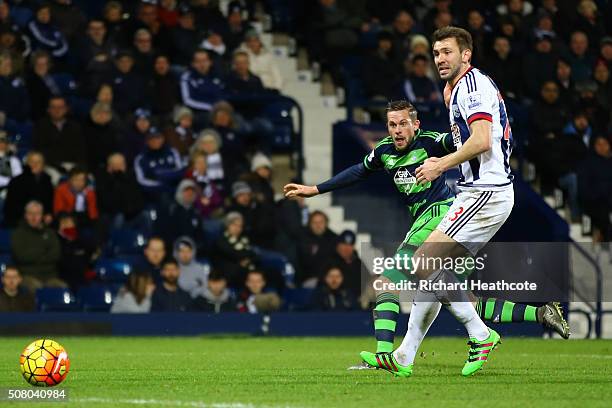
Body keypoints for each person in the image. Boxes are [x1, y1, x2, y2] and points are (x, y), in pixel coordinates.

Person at [284, 96, 567, 379]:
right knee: (462, 298)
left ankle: (385, 355)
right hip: (448, 225)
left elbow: (467, 142)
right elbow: (359, 171)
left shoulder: (431, 141)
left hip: (440, 216)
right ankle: (540, 314)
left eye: (403, 124)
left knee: (386, 282)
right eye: (392, 124)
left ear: (415, 125)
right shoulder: (383, 152)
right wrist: (315, 189)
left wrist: (493, 134)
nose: (397, 130)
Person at [10, 200, 63, 292]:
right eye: (30, 214)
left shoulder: (50, 233)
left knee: (63, 289)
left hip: (50, 277)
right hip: (27, 276)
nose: (34, 217)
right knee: (37, 288)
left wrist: (33, 253)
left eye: (37, 214)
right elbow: (21, 256)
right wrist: (43, 252)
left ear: (42, 215)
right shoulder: (18, 234)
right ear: (25, 215)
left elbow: (55, 255)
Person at [32, 96, 86, 178]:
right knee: (54, 177)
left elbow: (81, 150)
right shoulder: (41, 126)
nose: (57, 110)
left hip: (72, 165)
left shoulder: (75, 127)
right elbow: (40, 150)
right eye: (53, 107)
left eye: (60, 107)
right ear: (48, 109)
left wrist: (80, 168)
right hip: (49, 166)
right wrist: (57, 166)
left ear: (66, 109)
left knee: (86, 178)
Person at [3, 151, 54, 228]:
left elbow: (49, 202)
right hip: (20, 220)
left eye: (38, 162)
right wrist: (31, 216)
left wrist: (48, 214)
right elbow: (11, 208)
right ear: (27, 163)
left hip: (42, 219)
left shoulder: (47, 181)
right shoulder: (16, 181)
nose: (35, 164)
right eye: (32, 161)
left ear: (43, 165)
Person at [95, 152, 144, 229]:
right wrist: (114, 178)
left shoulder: (131, 177)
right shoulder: (104, 180)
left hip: (132, 212)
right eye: (116, 165)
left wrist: (123, 178)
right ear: (110, 167)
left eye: (121, 164)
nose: (120, 167)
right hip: (114, 213)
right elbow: (108, 202)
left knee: (145, 215)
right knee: (119, 217)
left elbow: (137, 198)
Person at [213, 211, 257, 288]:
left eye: (240, 226)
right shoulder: (221, 240)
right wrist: (246, 256)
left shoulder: (244, 239)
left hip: (245, 270)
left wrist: (246, 259)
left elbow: (254, 255)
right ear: (227, 225)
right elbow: (232, 254)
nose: (237, 228)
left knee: (273, 273)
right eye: (234, 225)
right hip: (228, 272)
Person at [296, 210, 337, 286]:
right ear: (310, 224)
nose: (318, 225)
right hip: (307, 280)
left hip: (328, 280)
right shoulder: (303, 239)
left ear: (326, 223)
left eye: (321, 222)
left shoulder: (334, 239)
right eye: (315, 223)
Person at [179, 49, 224, 115]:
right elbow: (187, 100)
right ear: (193, 64)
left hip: (220, 110)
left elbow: (224, 93)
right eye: (198, 61)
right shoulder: (187, 77)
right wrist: (211, 107)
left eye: (204, 61)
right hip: (198, 112)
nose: (202, 64)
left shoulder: (217, 75)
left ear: (210, 62)